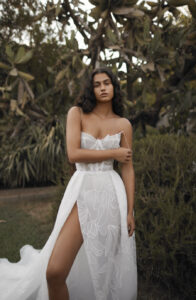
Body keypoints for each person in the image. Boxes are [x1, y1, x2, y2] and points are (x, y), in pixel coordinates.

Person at [0, 67, 137, 300]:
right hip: (82, 190)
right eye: (97, 84)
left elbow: (127, 168)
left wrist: (130, 212)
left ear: (114, 87)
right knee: (54, 271)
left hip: (112, 196)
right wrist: (113, 152)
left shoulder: (124, 124)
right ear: (91, 89)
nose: (103, 88)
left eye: (107, 83)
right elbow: (73, 154)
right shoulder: (77, 113)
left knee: (107, 271)